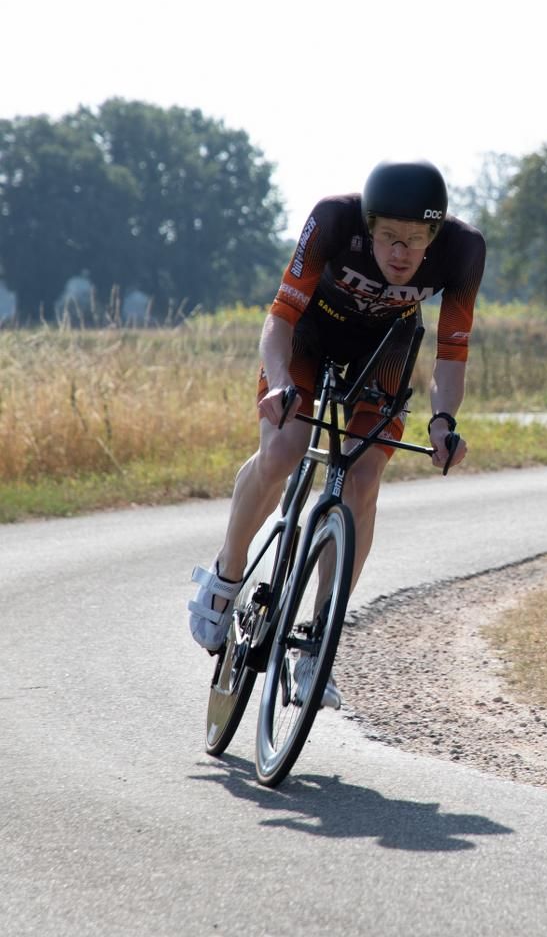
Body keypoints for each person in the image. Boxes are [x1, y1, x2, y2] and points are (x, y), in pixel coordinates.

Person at [187, 160, 486, 708]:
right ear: (369, 229)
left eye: (415, 241)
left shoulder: (464, 251)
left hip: (386, 347)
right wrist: (279, 384)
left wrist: (444, 421)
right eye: (390, 238)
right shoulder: (331, 219)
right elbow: (280, 316)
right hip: (309, 334)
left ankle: (317, 649)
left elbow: (452, 349)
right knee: (283, 448)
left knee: (363, 476)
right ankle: (224, 578)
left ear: (434, 236)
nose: (401, 253)